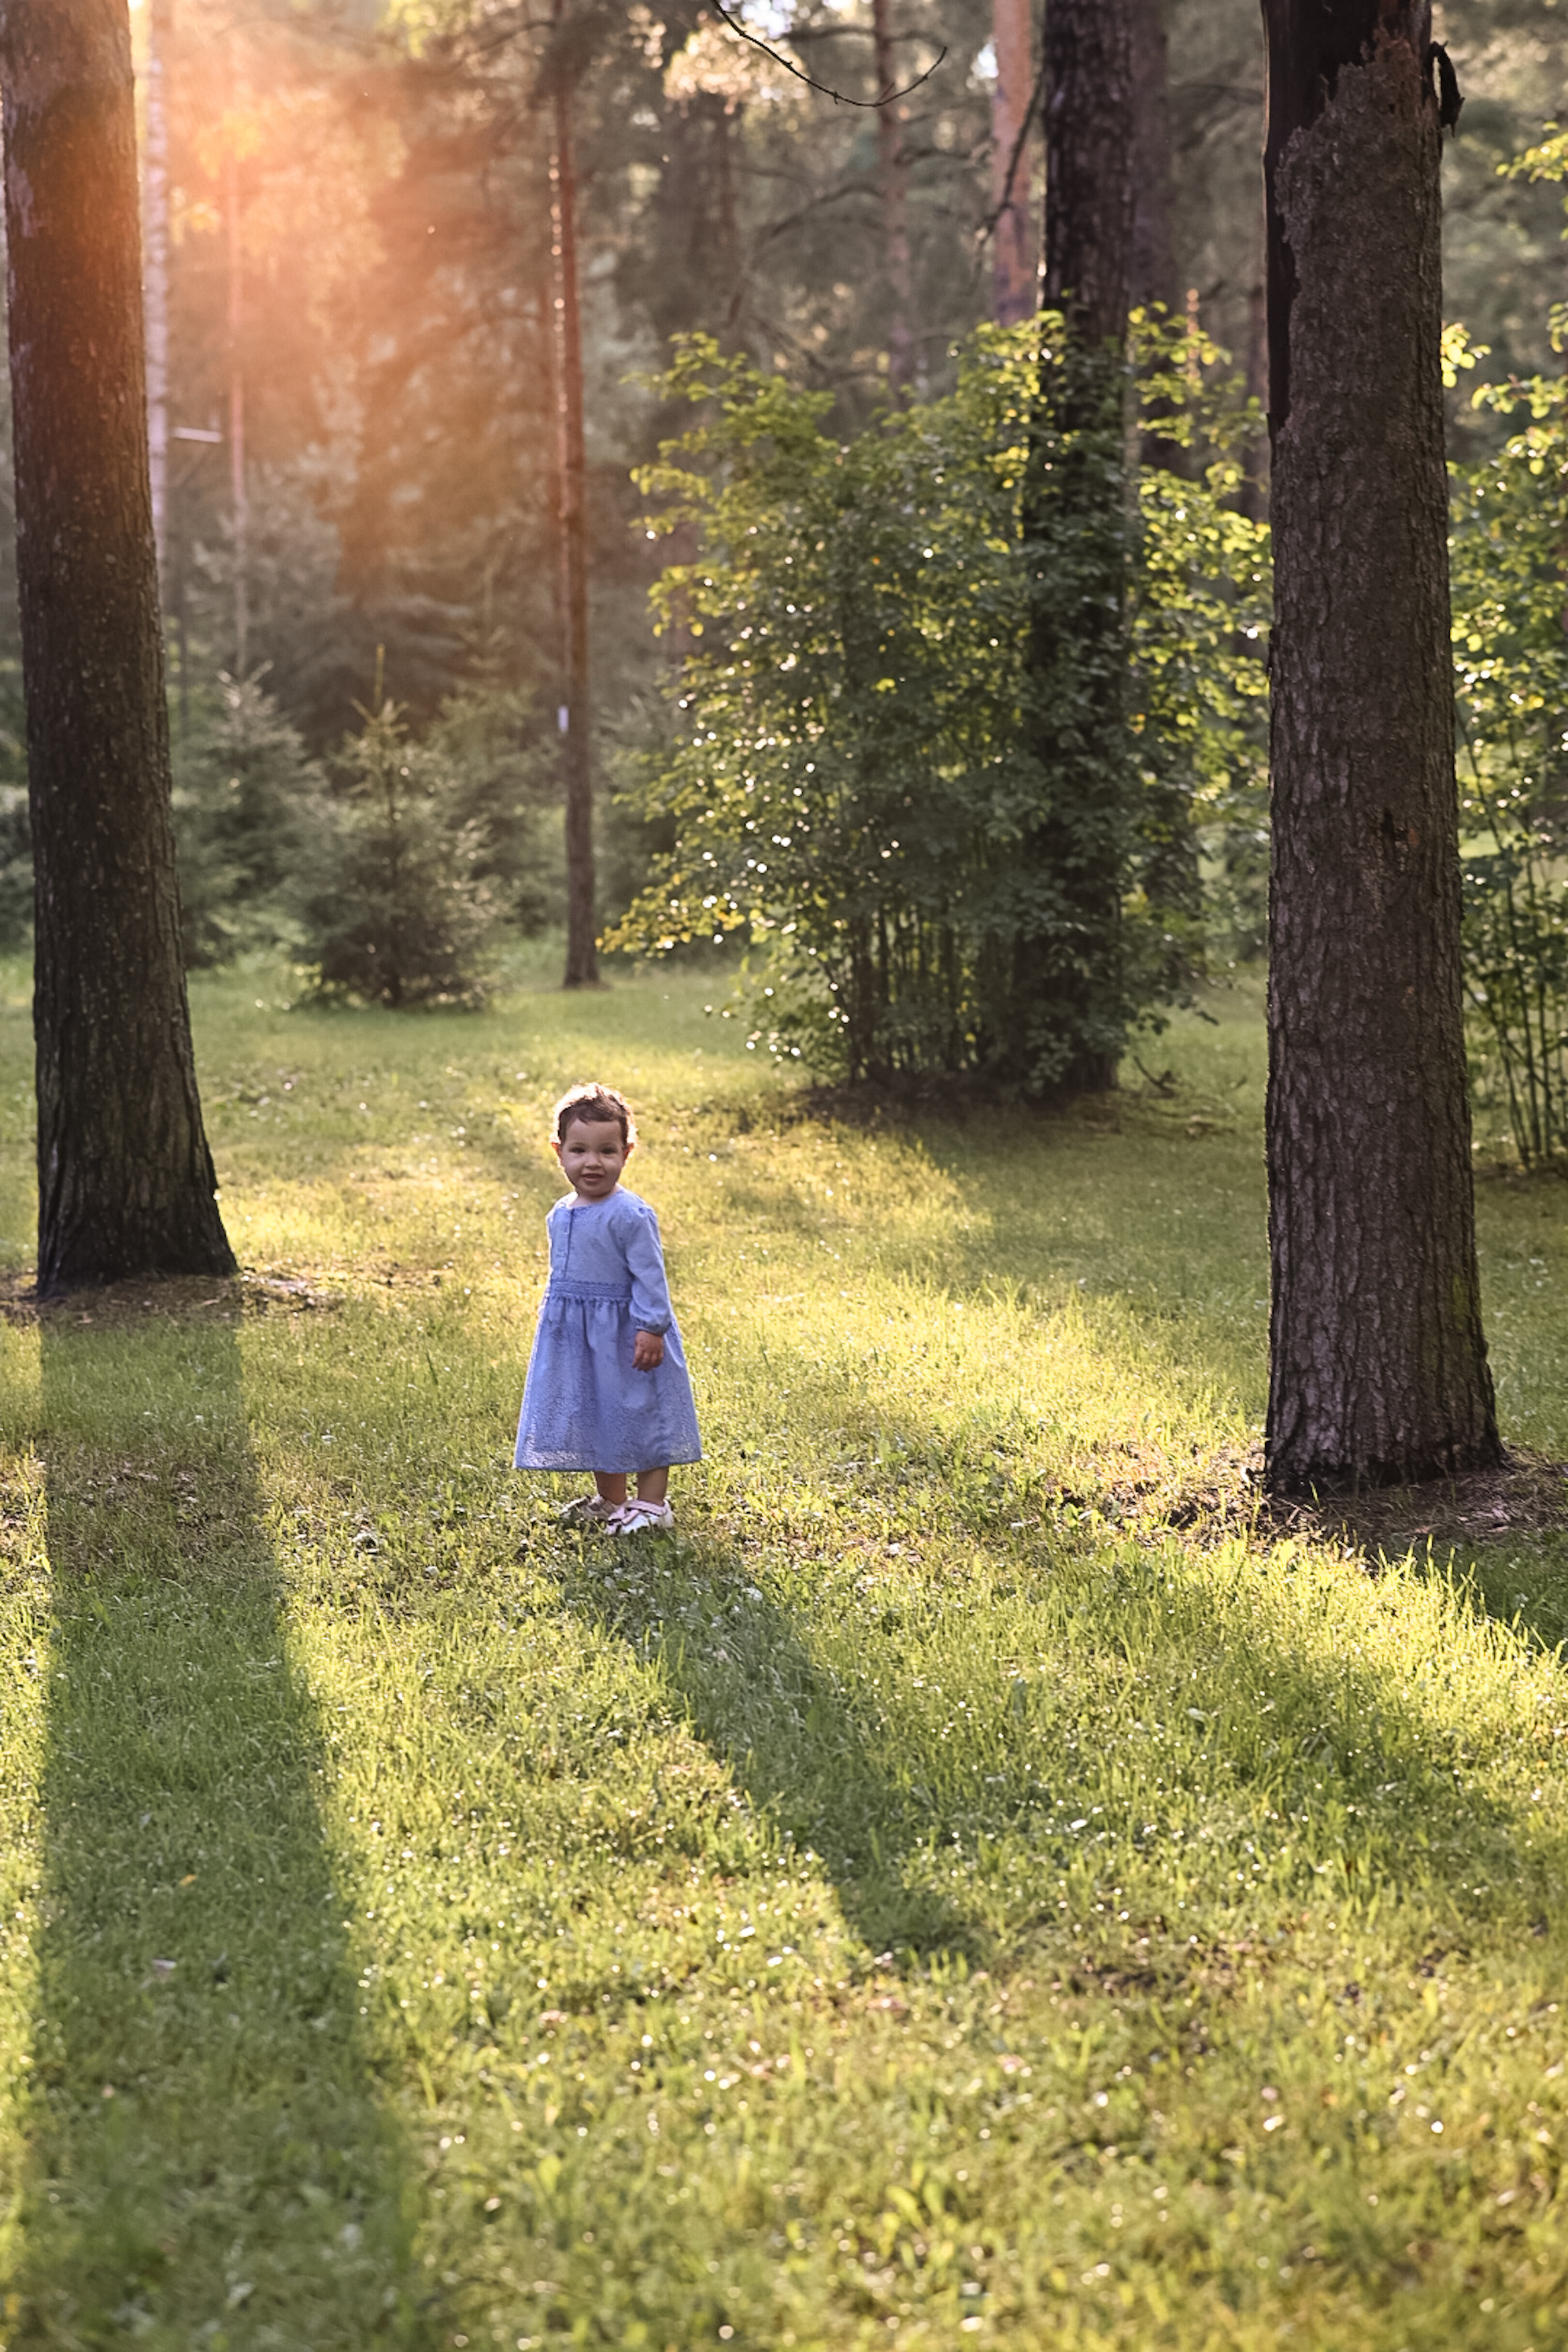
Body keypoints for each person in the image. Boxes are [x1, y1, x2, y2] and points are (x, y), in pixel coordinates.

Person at [514, 1081, 701, 1534]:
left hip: (630, 1336)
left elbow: (650, 1277)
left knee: (642, 1410)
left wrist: (652, 1327)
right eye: (579, 1150)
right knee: (599, 1410)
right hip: (581, 1340)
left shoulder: (629, 1214)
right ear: (559, 1152)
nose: (592, 1163)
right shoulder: (560, 1213)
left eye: (606, 1151)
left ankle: (653, 1504)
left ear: (627, 1152)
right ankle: (611, 1498)